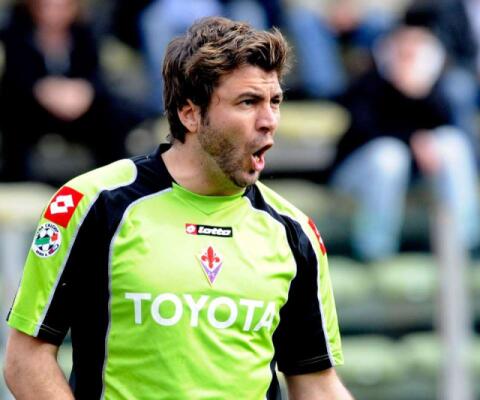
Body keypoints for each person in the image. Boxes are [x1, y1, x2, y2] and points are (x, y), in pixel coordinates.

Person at [3, 17, 351, 400]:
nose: (269, 121)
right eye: (248, 102)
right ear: (190, 113)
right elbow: (25, 361)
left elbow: (316, 383)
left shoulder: (294, 232)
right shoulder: (93, 204)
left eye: (275, 102)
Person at [330, 25, 480, 262]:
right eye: (403, 52)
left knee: (453, 143)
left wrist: (419, 94)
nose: (408, 59)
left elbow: (442, 124)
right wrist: (411, 133)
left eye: (415, 53)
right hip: (357, 173)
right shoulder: (369, 83)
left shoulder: (432, 89)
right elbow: (367, 131)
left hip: (411, 175)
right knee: (390, 156)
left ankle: (468, 241)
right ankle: (374, 249)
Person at [0, 0, 139, 183]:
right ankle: (17, 178)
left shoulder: (84, 32)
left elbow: (95, 75)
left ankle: (112, 179)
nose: (55, 14)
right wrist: (45, 90)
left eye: (62, 7)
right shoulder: (16, 32)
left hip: (77, 105)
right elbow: (15, 78)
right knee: (13, 113)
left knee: (113, 112)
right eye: (48, 7)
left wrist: (84, 91)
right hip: (33, 108)